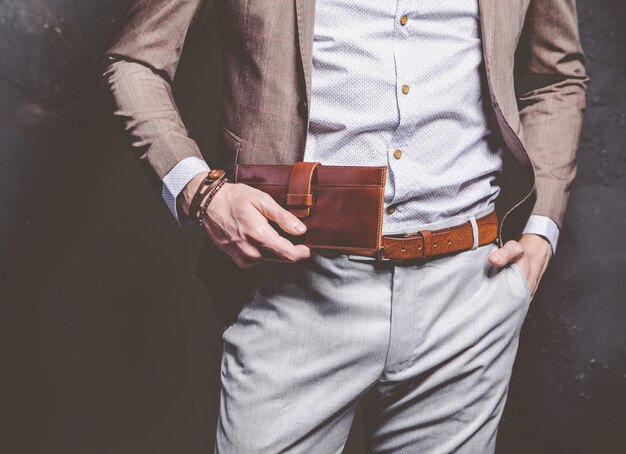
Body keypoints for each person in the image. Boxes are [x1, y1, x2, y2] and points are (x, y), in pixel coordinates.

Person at [102, 0, 588, 452]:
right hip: (295, 287)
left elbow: (556, 76)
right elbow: (136, 60)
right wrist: (202, 193)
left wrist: (540, 229)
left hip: (469, 299)